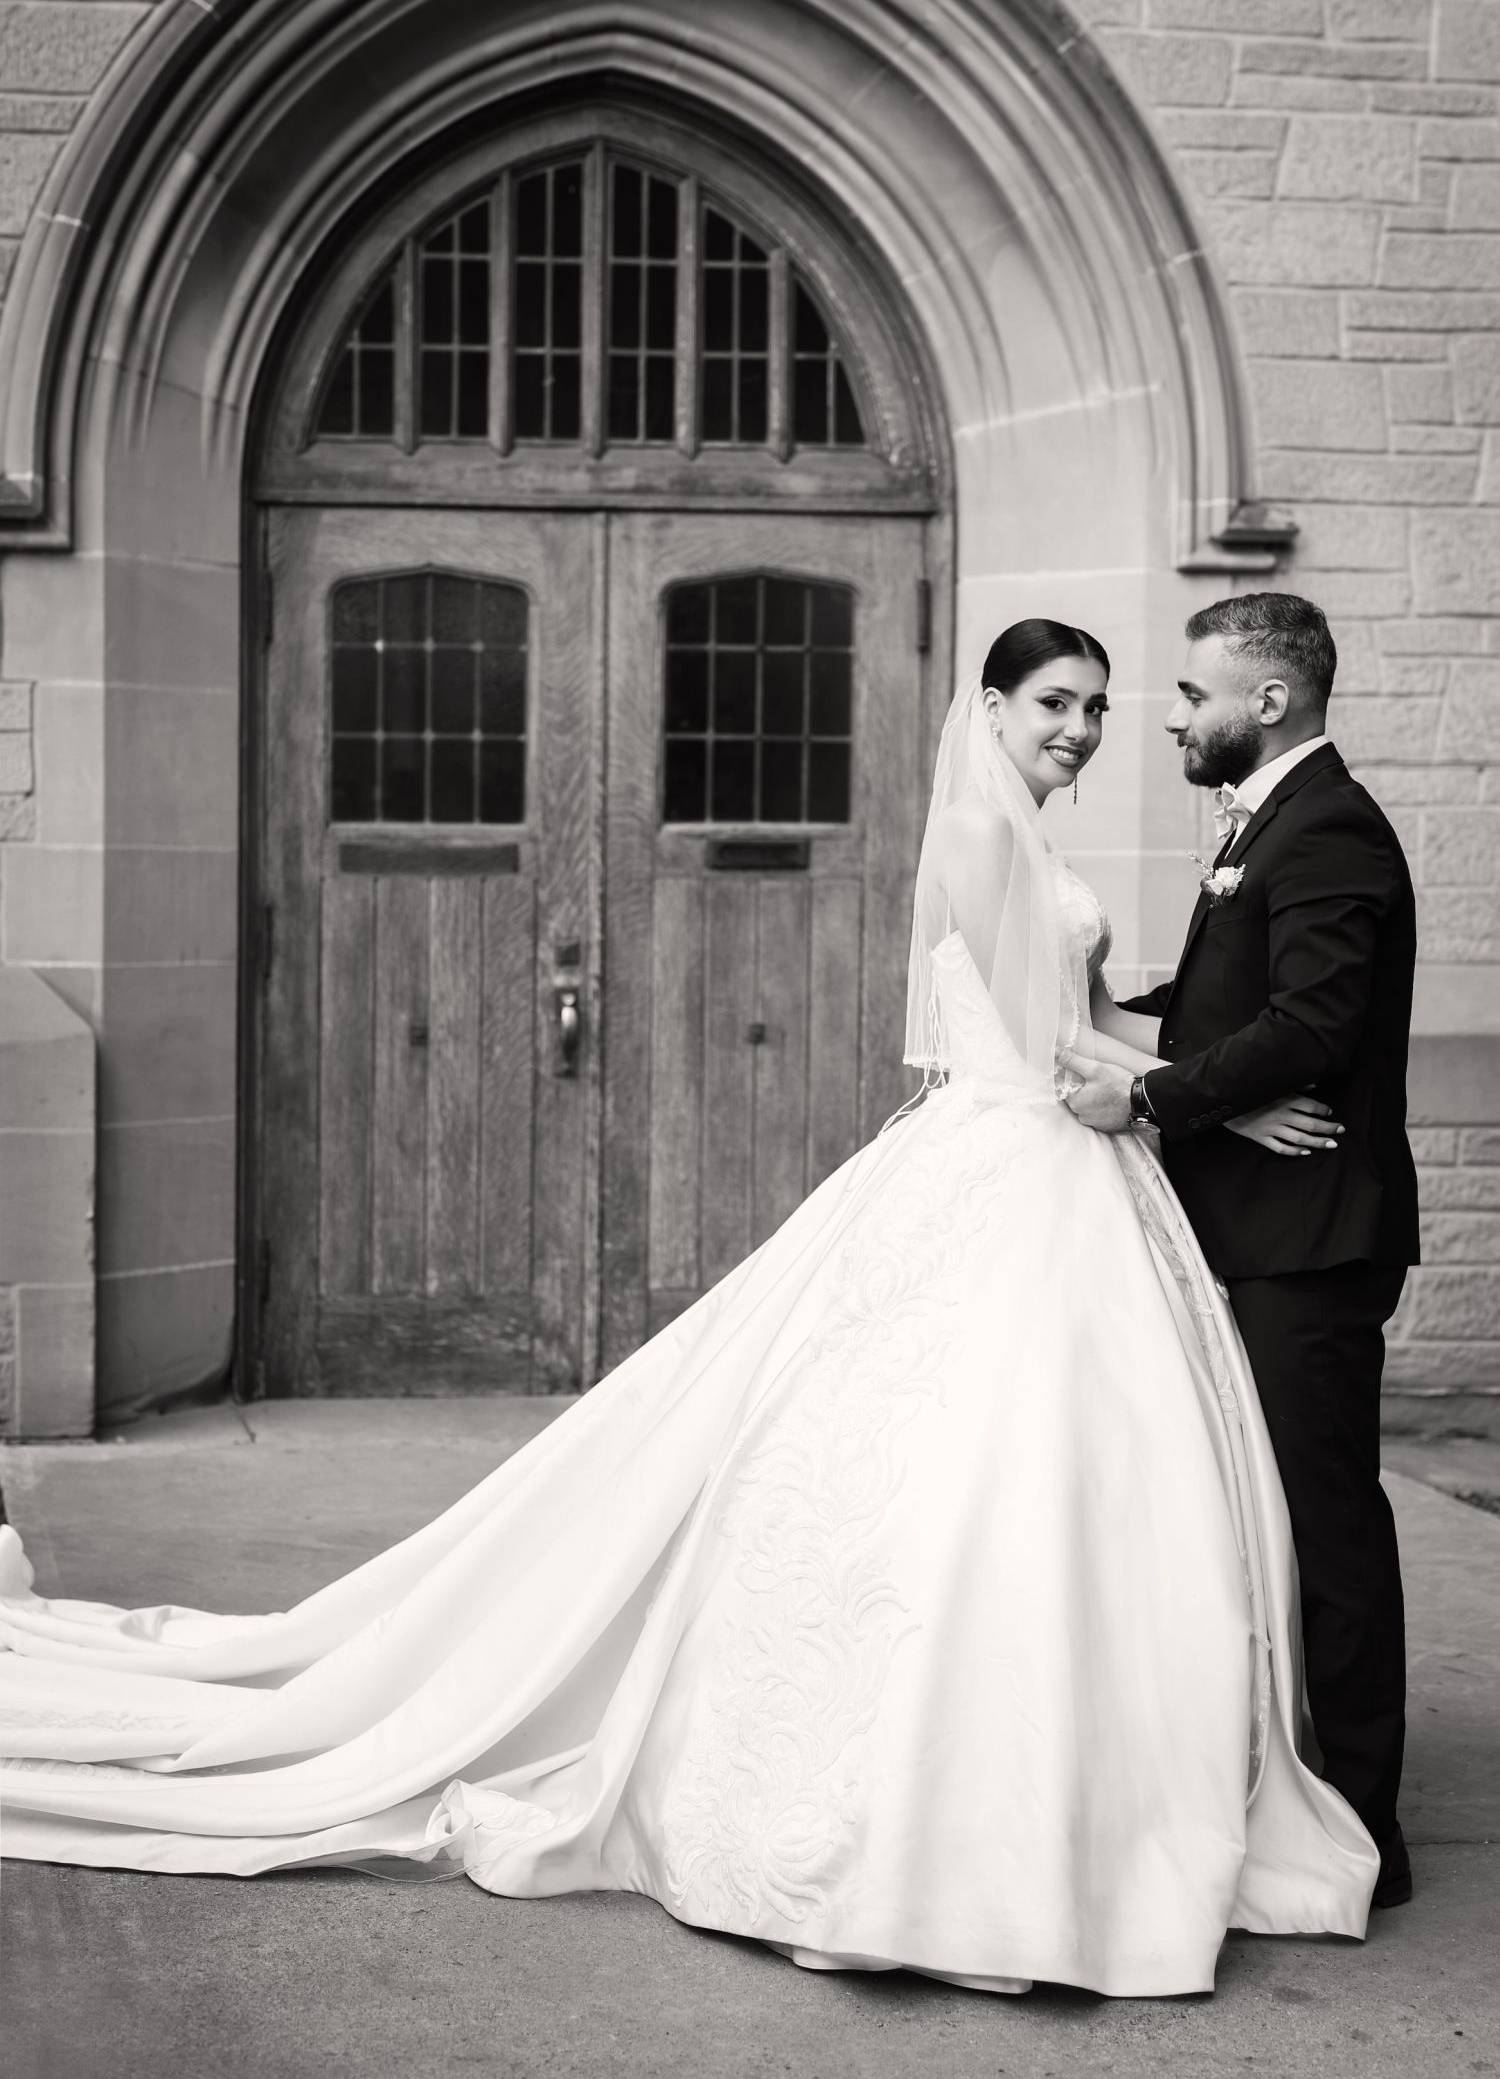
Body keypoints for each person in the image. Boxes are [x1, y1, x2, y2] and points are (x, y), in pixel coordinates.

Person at [0, 620, 1381, 1998]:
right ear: (993, 707)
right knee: (970, 1468)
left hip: (1059, 1156)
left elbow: (1093, 1020)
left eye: (1100, 704)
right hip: (1018, 1152)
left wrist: (1193, 1077)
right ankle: (941, 1812)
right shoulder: (975, 829)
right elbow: (1037, 1048)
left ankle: (1083, 1787)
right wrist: (1210, 1095)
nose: (1080, 728)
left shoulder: (1035, 836)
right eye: (1054, 704)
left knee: (1065, 1480)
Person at [1063, 592, 1417, 1911]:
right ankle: (1289, 1771)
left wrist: (1154, 1094)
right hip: (1256, 1225)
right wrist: (1102, 1023)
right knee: (1262, 1515)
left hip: (1309, 1237)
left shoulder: (1327, 829)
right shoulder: (1269, 817)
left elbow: (1314, 1023)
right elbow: (1238, 1011)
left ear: (1266, 702)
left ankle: (1365, 1825)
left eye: (1190, 694)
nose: (1168, 716)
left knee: (1325, 1523)